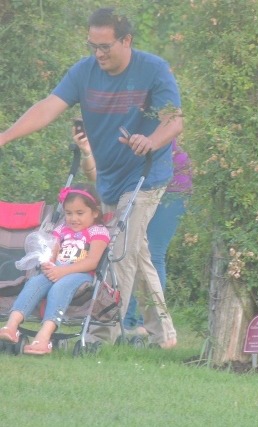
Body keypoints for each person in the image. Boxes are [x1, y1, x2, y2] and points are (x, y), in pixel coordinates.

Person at [0, 8, 182, 348]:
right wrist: (5, 136)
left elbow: (174, 120)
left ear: (126, 40)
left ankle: (100, 333)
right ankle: (165, 335)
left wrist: (151, 140)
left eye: (106, 46)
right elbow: (47, 107)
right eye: (93, 46)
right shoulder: (83, 73)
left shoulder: (153, 69)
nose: (98, 54)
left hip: (146, 175)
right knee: (136, 254)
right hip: (108, 178)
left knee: (120, 253)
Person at [73, 127, 192, 335]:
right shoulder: (103, 131)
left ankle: (132, 321)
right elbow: (94, 175)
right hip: (134, 187)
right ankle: (153, 328)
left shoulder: (131, 115)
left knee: (151, 252)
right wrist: (87, 150)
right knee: (136, 250)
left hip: (170, 187)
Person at [0, 184, 110, 355]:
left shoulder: (97, 231)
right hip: (57, 271)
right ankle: (12, 325)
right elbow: (53, 252)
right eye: (69, 213)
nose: (73, 218)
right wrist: (48, 262)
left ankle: (44, 337)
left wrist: (63, 272)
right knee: (35, 281)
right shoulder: (61, 229)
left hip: (80, 275)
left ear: (95, 212)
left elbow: (92, 262)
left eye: (80, 213)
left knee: (61, 286)